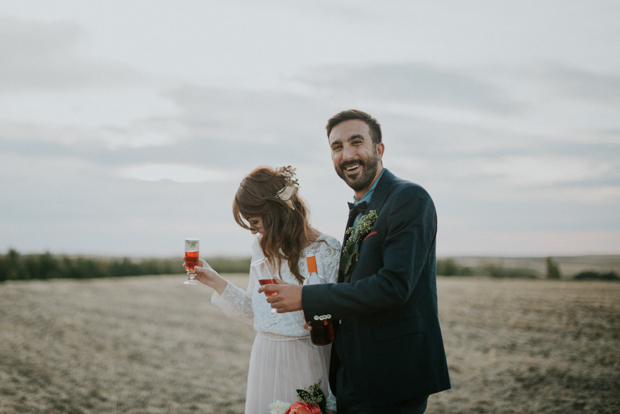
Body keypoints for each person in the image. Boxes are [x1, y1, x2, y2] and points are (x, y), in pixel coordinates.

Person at [259, 110, 451, 413]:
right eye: (337, 147)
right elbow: (358, 286)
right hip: (353, 376)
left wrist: (308, 298)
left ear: (379, 149)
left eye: (356, 142)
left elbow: (393, 286)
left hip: (392, 377)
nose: (347, 154)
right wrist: (327, 317)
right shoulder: (362, 208)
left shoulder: (409, 198)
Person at [188, 166, 340, 414]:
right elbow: (254, 311)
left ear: (276, 211)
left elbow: (339, 314)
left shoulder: (327, 249)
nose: (252, 229)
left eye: (255, 221)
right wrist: (214, 280)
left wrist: (315, 313)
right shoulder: (261, 248)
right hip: (266, 359)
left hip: (308, 359)